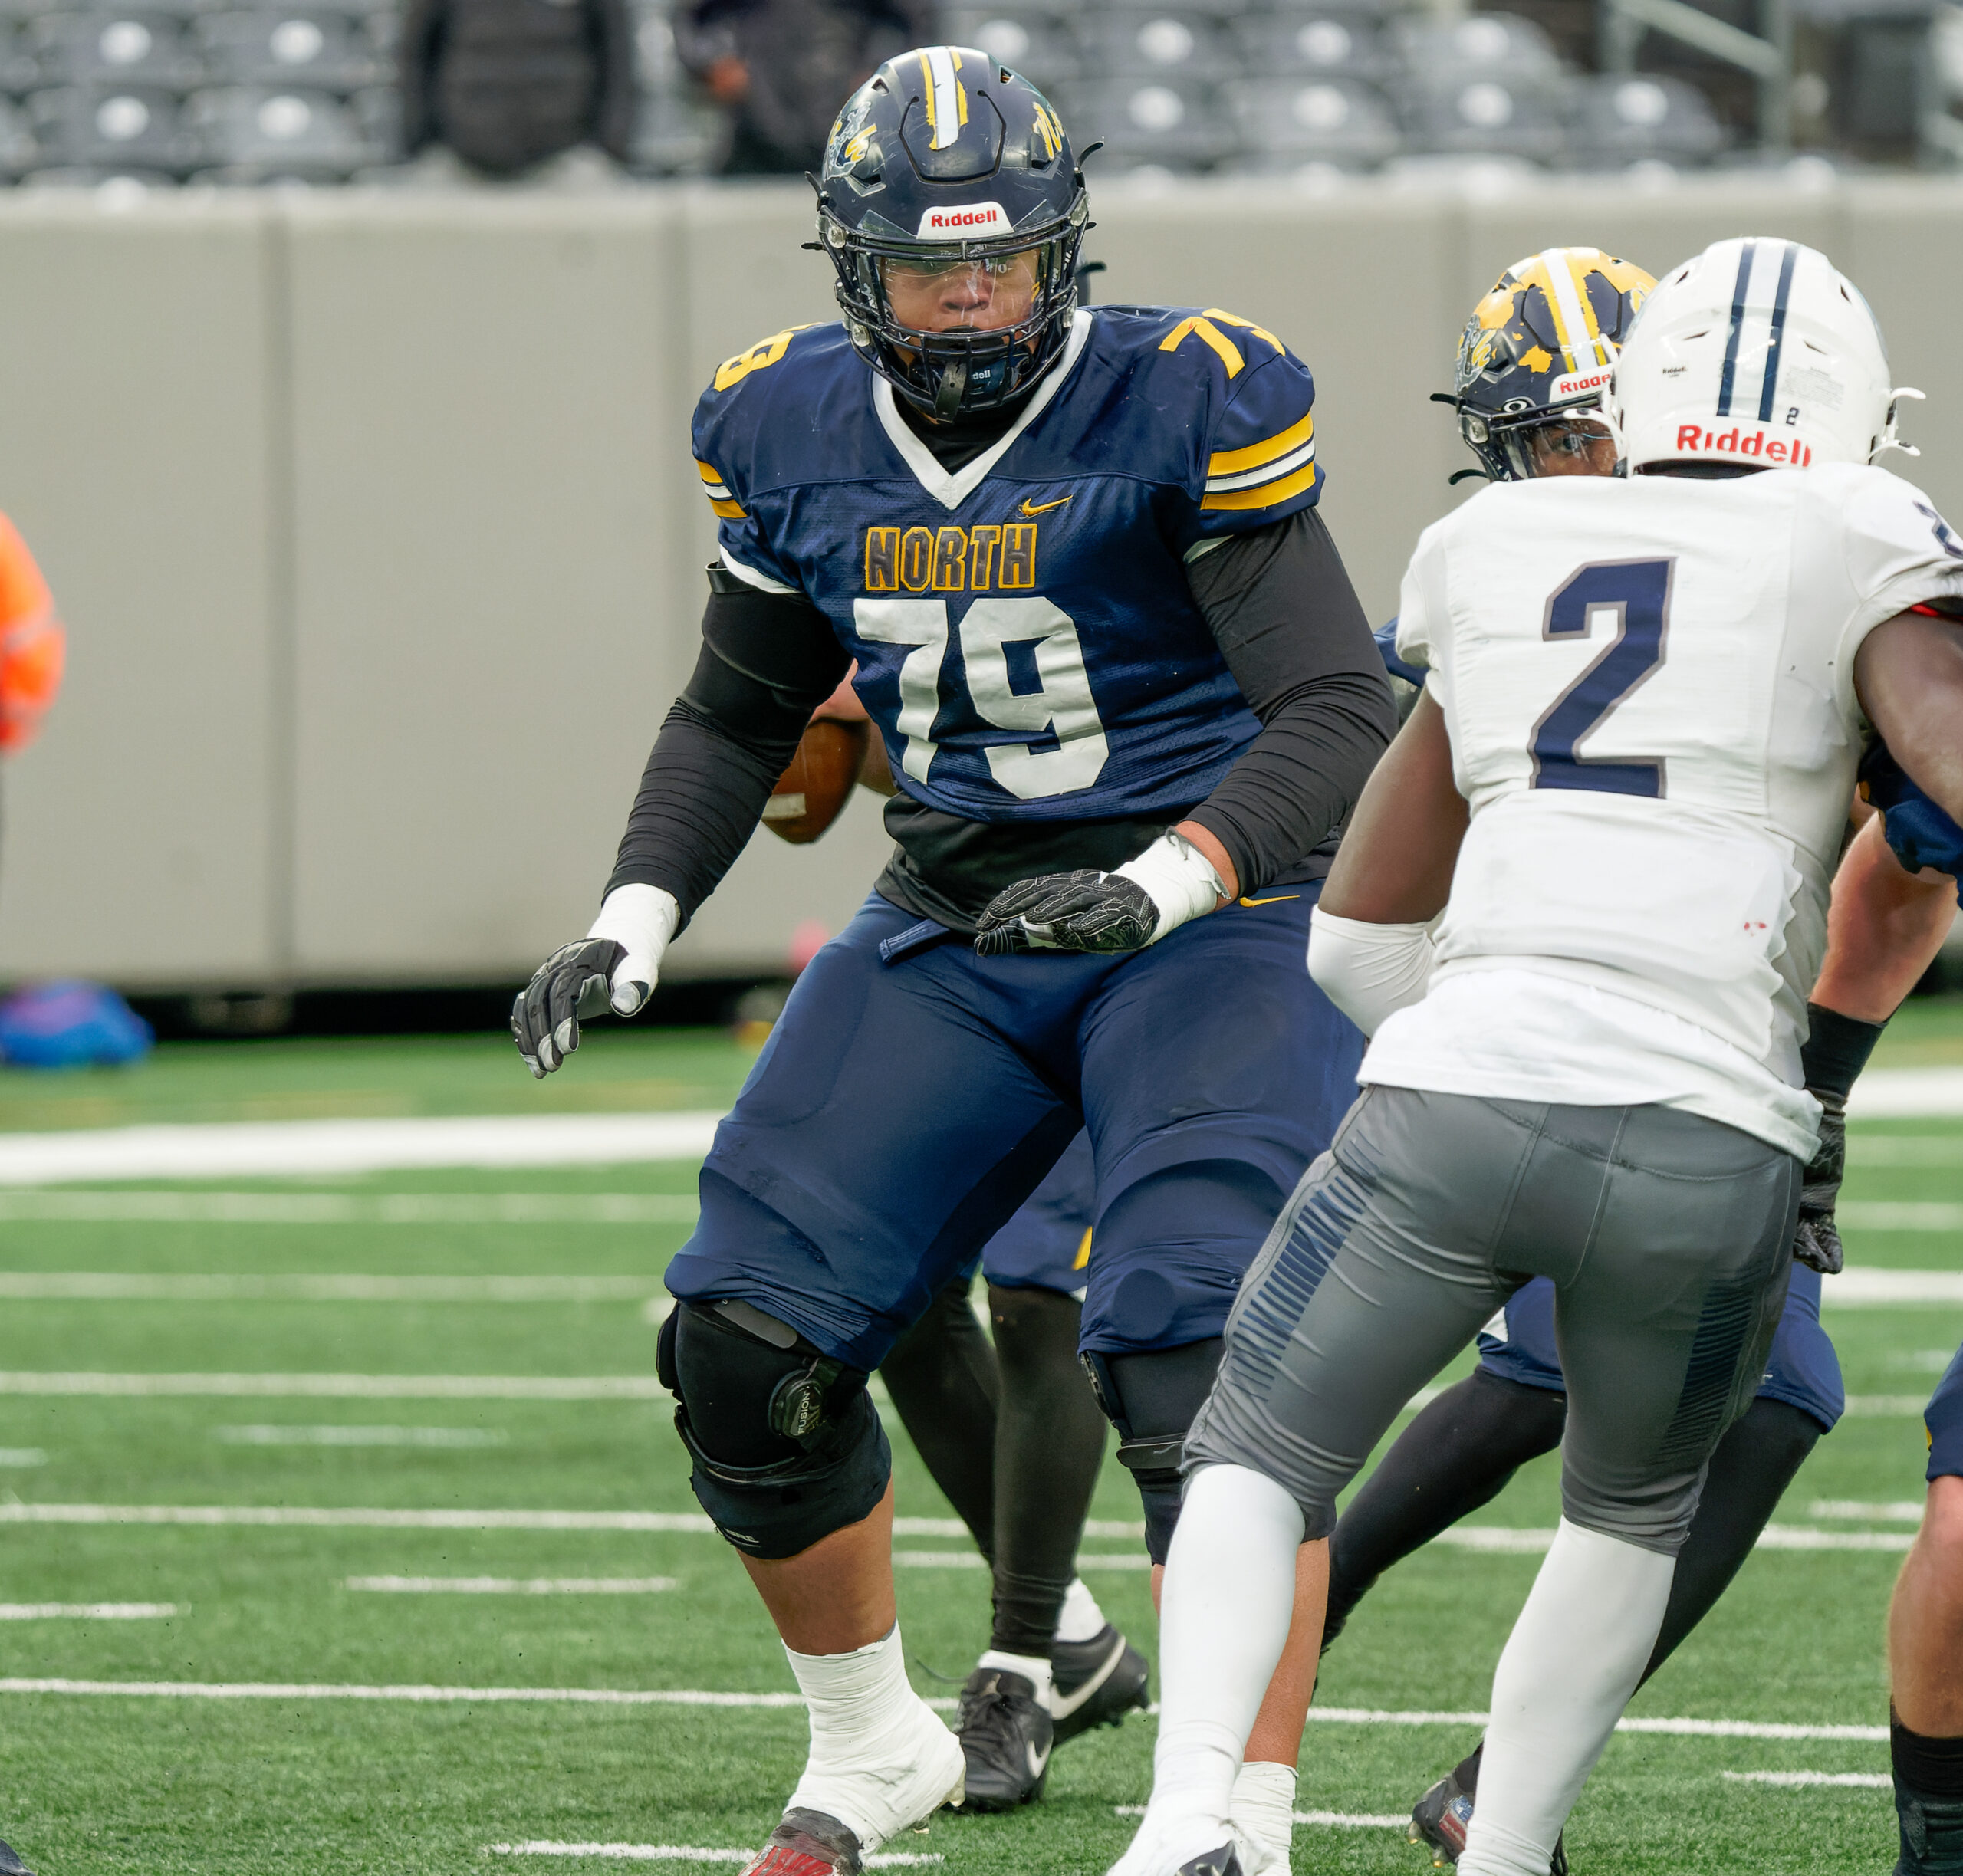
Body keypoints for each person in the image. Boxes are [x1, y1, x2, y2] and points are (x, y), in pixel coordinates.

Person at [510, 47, 1394, 1876]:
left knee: (1190, 1348)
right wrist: (631, 914)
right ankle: (876, 1742)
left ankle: (1234, 1809)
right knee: (740, 1337)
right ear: (853, 267)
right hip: (955, 911)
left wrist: (1164, 878)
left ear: (1060, 249)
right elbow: (734, 710)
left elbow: (1331, 705)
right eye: (926, 265)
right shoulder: (779, 420)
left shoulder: (1187, 392)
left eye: (996, 260)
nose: (968, 296)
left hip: (1208, 912)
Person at [1110, 234, 1963, 1876]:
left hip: (1454, 1093)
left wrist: (1490, 1028)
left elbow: (1355, 935)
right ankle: (1502, 1848)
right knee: (1627, 1513)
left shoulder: (1483, 539)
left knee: (1256, 1450)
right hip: (1711, 1133)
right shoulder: (1857, 530)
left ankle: (1183, 1821)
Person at [879, 1139, 1155, 1809]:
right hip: (965, 1033)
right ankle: (1073, 1635)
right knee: (898, 1286)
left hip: (1095, 1036)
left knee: (1035, 1289)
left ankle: (1025, 1664)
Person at [673, 0, 935, 176]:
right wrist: (715, 63)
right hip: (755, 132)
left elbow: (913, 21)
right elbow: (691, 20)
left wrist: (878, 74)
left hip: (851, 131)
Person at [400, 0, 635, 180]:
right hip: (463, 159)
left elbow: (616, 53)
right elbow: (417, 52)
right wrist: (419, 141)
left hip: (566, 159)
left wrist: (610, 145)